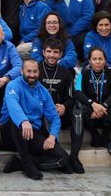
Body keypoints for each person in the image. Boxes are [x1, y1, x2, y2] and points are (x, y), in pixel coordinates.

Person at [0, 58, 71, 180]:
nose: (32, 75)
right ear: (22, 71)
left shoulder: (43, 91)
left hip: (32, 134)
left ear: (39, 72)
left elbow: (54, 117)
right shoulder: (13, 86)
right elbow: (13, 105)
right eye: (28, 71)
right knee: (16, 122)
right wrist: (23, 121)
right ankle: (27, 164)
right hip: (7, 133)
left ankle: (18, 163)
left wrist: (52, 136)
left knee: (62, 157)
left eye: (35, 71)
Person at [35, 39, 81, 172]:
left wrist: (64, 106)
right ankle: (59, 153)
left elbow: (72, 97)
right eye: (49, 51)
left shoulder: (66, 72)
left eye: (55, 52)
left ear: (61, 54)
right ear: (43, 52)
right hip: (41, 113)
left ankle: (74, 156)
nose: (52, 55)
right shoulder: (36, 70)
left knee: (78, 114)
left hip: (60, 111)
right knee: (47, 115)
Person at [71, 47, 111, 155]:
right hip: (91, 114)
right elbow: (77, 92)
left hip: (107, 113)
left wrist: (103, 106)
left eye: (100, 59)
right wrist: (93, 104)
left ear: (105, 60)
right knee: (80, 104)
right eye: (94, 59)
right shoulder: (84, 74)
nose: (97, 62)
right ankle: (94, 134)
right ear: (90, 61)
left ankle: (106, 133)